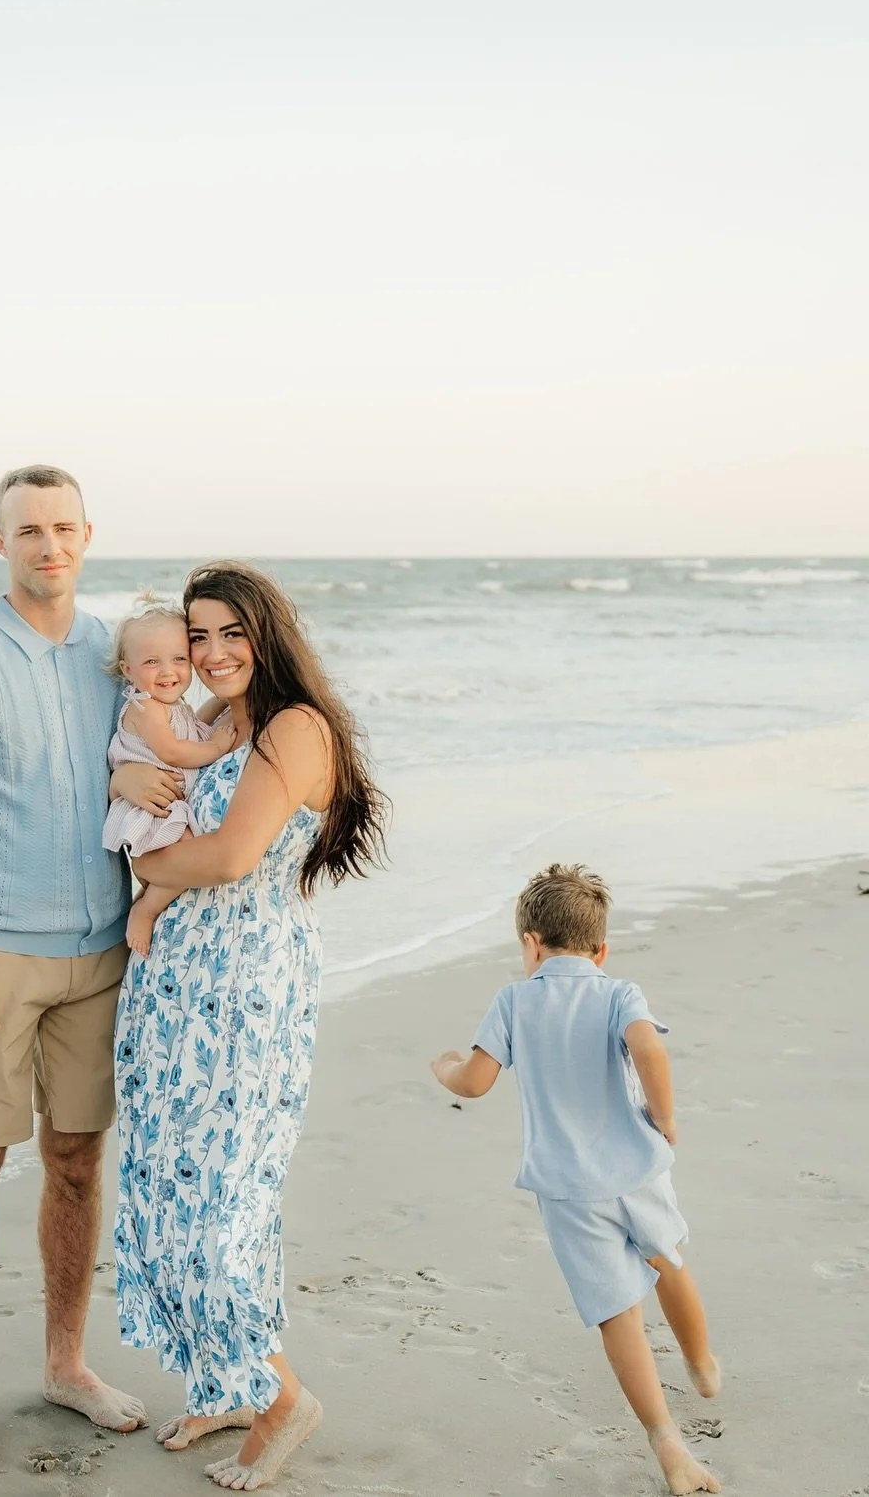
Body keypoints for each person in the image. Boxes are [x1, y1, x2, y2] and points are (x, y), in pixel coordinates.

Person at [113, 561, 387, 1491]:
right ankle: (223, 1378)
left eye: (232, 631)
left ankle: (279, 1398)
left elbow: (231, 855)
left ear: (268, 634)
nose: (213, 650)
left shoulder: (295, 728)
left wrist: (148, 884)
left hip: (243, 990)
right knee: (168, 1180)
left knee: (223, 1198)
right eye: (198, 634)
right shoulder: (225, 726)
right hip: (179, 984)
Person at [0, 465, 159, 1472]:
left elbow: (171, 752)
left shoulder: (118, 653)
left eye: (63, 527)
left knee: (76, 1163)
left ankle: (66, 1362)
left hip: (101, 956)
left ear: (88, 535)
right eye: (28, 529)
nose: (47, 544)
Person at [430, 863, 722, 1497]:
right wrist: (664, 1117)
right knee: (668, 1259)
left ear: (531, 944)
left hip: (566, 1188)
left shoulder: (512, 1000)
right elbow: (648, 1048)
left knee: (618, 1312)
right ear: (601, 948)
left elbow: (476, 1083)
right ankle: (702, 1366)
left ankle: (667, 1441)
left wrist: (447, 1065)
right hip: (636, 1167)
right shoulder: (620, 992)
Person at [102, 605, 237, 954]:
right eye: (151, 662)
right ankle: (145, 909)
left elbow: (196, 727)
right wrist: (217, 747)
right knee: (189, 847)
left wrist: (222, 700)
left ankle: (152, 900)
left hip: (167, 800)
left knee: (186, 851)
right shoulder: (145, 708)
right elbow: (174, 751)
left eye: (179, 659)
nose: (167, 672)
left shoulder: (173, 707)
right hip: (154, 806)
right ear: (127, 670)